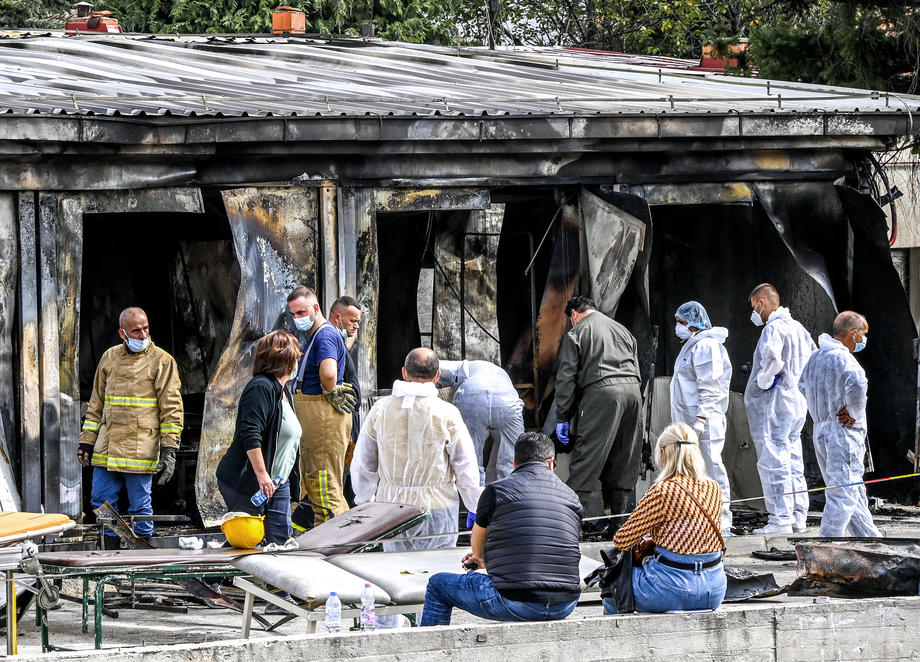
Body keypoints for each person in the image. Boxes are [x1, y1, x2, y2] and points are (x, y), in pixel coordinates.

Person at [420, 432, 582, 626]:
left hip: (516, 601)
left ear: (514, 463)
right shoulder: (572, 497)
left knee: (438, 585)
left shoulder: (497, 490)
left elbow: (478, 548)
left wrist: (481, 559)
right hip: (566, 602)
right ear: (550, 463)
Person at [351, 347, 482, 552]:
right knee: (434, 572)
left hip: (391, 510)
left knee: (396, 574)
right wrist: (475, 506)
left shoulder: (381, 409)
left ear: (404, 373)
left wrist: (365, 503)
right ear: (437, 376)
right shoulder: (447, 413)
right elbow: (465, 466)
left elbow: (363, 463)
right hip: (437, 508)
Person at [77, 307, 183, 546]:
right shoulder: (109, 358)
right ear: (122, 333)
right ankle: (113, 548)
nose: (143, 335)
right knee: (100, 501)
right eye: (136, 331)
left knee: (140, 505)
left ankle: (141, 549)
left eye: (146, 328)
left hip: (141, 447)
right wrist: (86, 440)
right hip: (107, 445)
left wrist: (169, 449)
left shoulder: (163, 361)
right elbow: (96, 404)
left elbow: (172, 409)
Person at [603, 423, 726, 615]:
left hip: (669, 589)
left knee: (613, 583)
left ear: (663, 453)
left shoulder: (662, 491)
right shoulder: (714, 487)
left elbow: (622, 540)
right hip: (714, 589)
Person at [554, 295, 643, 529]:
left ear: (574, 314)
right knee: (624, 457)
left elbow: (566, 378)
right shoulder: (623, 330)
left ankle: (569, 528)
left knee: (588, 458)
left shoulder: (577, 332)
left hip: (602, 393)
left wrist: (563, 416)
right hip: (634, 393)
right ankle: (617, 525)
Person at [798, 311, 880, 538]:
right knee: (843, 493)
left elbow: (802, 385)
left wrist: (820, 407)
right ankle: (827, 542)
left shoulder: (816, 357)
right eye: (863, 334)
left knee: (852, 490)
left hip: (821, 430)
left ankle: (870, 540)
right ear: (853, 334)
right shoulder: (845, 359)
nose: (864, 339)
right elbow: (857, 385)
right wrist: (852, 411)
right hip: (843, 432)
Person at [216, 330, 302, 545]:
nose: (298, 361)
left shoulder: (282, 391)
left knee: (281, 541)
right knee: (246, 539)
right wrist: (262, 475)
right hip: (251, 480)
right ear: (285, 360)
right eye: (296, 357)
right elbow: (250, 433)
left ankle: (275, 580)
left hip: (277, 482)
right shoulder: (261, 387)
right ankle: (215, 579)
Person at [744, 283, 817, 535]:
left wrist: (764, 380)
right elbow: (813, 357)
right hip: (796, 402)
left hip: (774, 404)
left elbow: (772, 358)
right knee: (793, 459)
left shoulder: (773, 328)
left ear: (761, 303)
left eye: (754, 307)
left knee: (773, 459)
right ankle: (798, 516)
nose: (754, 312)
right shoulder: (798, 328)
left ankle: (780, 519)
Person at [287, 286, 356, 525]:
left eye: (301, 312)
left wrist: (331, 388)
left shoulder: (325, 335)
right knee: (317, 481)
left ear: (316, 308)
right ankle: (329, 535)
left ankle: (339, 539)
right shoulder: (320, 335)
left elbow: (328, 373)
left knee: (324, 482)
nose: (297, 318)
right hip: (316, 415)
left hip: (323, 415)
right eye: (294, 314)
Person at [671, 301, 734, 533]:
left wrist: (701, 419)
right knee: (695, 472)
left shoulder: (707, 346)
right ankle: (701, 519)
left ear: (694, 322)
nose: (677, 327)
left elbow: (710, 387)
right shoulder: (693, 345)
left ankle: (722, 520)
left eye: (681, 322)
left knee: (712, 469)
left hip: (705, 423)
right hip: (691, 422)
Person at [437, 360, 525, 485]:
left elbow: (431, 366)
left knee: (472, 459)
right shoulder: (492, 370)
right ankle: (506, 498)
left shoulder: (458, 367)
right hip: (507, 402)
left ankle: (478, 500)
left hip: (472, 398)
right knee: (510, 459)